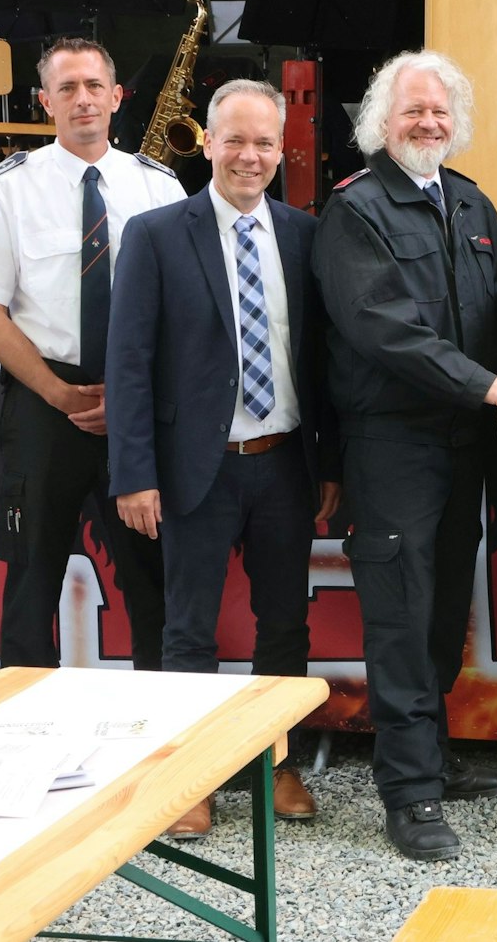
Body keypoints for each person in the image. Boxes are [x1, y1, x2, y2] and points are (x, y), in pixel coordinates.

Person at [107, 79, 341, 837]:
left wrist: (328, 465)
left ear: (283, 149)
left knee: (284, 628)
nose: (249, 155)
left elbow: (325, 362)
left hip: (282, 465)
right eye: (234, 139)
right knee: (189, 630)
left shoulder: (306, 235)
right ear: (206, 142)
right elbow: (130, 363)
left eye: (264, 142)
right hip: (191, 469)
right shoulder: (154, 233)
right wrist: (134, 473)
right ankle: (192, 778)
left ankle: (277, 765)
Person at [314, 49, 497, 861]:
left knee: (440, 614)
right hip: (393, 442)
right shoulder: (356, 209)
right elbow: (383, 328)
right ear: (381, 121)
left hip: (463, 442)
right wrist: (489, 387)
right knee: (401, 617)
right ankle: (409, 794)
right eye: (412, 112)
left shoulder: (469, 201)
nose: (427, 123)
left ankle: (431, 751)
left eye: (439, 112)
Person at [0, 37, 179, 672]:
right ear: (43, 100)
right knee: (30, 578)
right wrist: (58, 392)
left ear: (116, 96)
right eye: (67, 88)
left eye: (94, 86)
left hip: (135, 408)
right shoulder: (8, 189)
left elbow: (184, 313)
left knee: (153, 578)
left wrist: (130, 396)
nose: (82, 100)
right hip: (42, 403)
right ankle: (22, 736)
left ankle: (160, 743)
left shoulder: (158, 188)